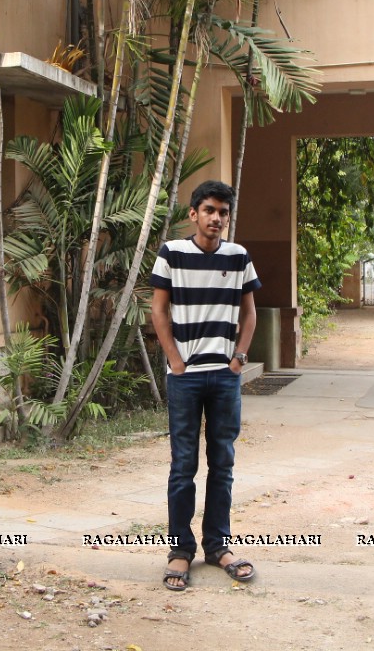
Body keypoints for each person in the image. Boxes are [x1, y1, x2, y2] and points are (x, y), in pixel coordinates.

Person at [150, 179, 260, 592]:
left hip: (224, 378)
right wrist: (175, 361)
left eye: (224, 212)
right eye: (210, 210)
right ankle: (180, 552)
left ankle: (218, 546)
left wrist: (239, 359)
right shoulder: (172, 253)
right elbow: (159, 311)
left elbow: (249, 313)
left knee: (223, 464)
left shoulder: (238, 257)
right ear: (194, 214)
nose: (217, 218)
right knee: (183, 467)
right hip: (184, 379)